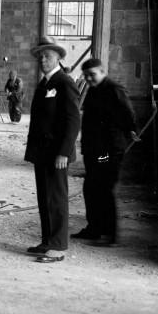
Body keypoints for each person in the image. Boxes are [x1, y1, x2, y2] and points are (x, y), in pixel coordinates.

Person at [24, 36, 81, 263]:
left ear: (58, 57)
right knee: (45, 198)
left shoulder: (64, 82)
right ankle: (48, 240)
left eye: (47, 55)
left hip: (56, 153)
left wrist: (64, 153)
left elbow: (73, 121)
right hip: (43, 152)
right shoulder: (45, 83)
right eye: (40, 56)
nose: (43, 59)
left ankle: (58, 246)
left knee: (56, 198)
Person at [72, 58, 139, 246]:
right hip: (95, 150)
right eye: (86, 76)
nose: (89, 79)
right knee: (91, 188)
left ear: (102, 71)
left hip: (108, 151)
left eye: (92, 75)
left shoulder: (114, 89)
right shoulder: (94, 90)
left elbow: (129, 117)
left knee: (104, 189)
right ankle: (94, 229)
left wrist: (120, 141)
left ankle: (111, 235)